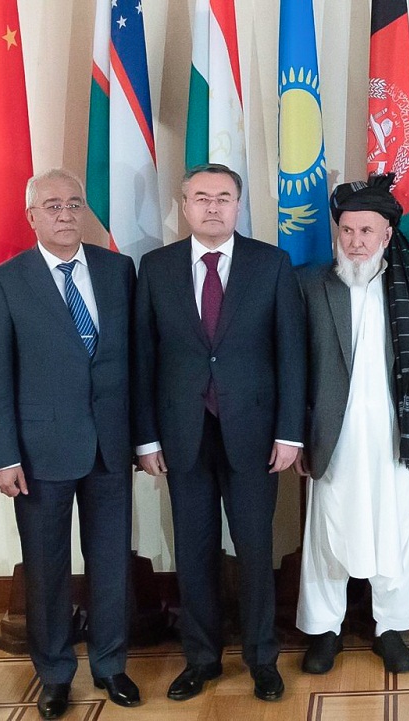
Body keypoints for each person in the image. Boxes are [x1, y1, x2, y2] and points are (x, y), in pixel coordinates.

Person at [133, 163, 306, 700]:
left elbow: (291, 353)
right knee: (194, 551)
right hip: (182, 434)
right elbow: (143, 359)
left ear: (238, 205)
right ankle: (201, 659)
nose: (213, 206)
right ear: (184, 205)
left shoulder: (271, 264)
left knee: (255, 550)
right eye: (202, 197)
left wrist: (290, 432)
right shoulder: (155, 267)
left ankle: (262, 659)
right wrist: (146, 438)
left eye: (224, 197)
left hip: (255, 434)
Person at [0, 169, 139, 719]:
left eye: (74, 203)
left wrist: (142, 437)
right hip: (38, 452)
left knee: (111, 562)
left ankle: (110, 664)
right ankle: (54, 673)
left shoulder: (118, 270)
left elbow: (135, 361)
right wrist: (3, 455)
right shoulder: (4, 282)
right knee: (47, 568)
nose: (65, 214)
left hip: (110, 446)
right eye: (52, 205)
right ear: (31, 216)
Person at [296, 175, 409, 675]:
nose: (356, 241)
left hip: (396, 433)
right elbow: (294, 367)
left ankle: (392, 628)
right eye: (347, 230)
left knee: (395, 528)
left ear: (386, 234)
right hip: (332, 435)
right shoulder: (311, 284)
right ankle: (325, 629)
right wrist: (296, 436)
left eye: (367, 231)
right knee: (328, 532)